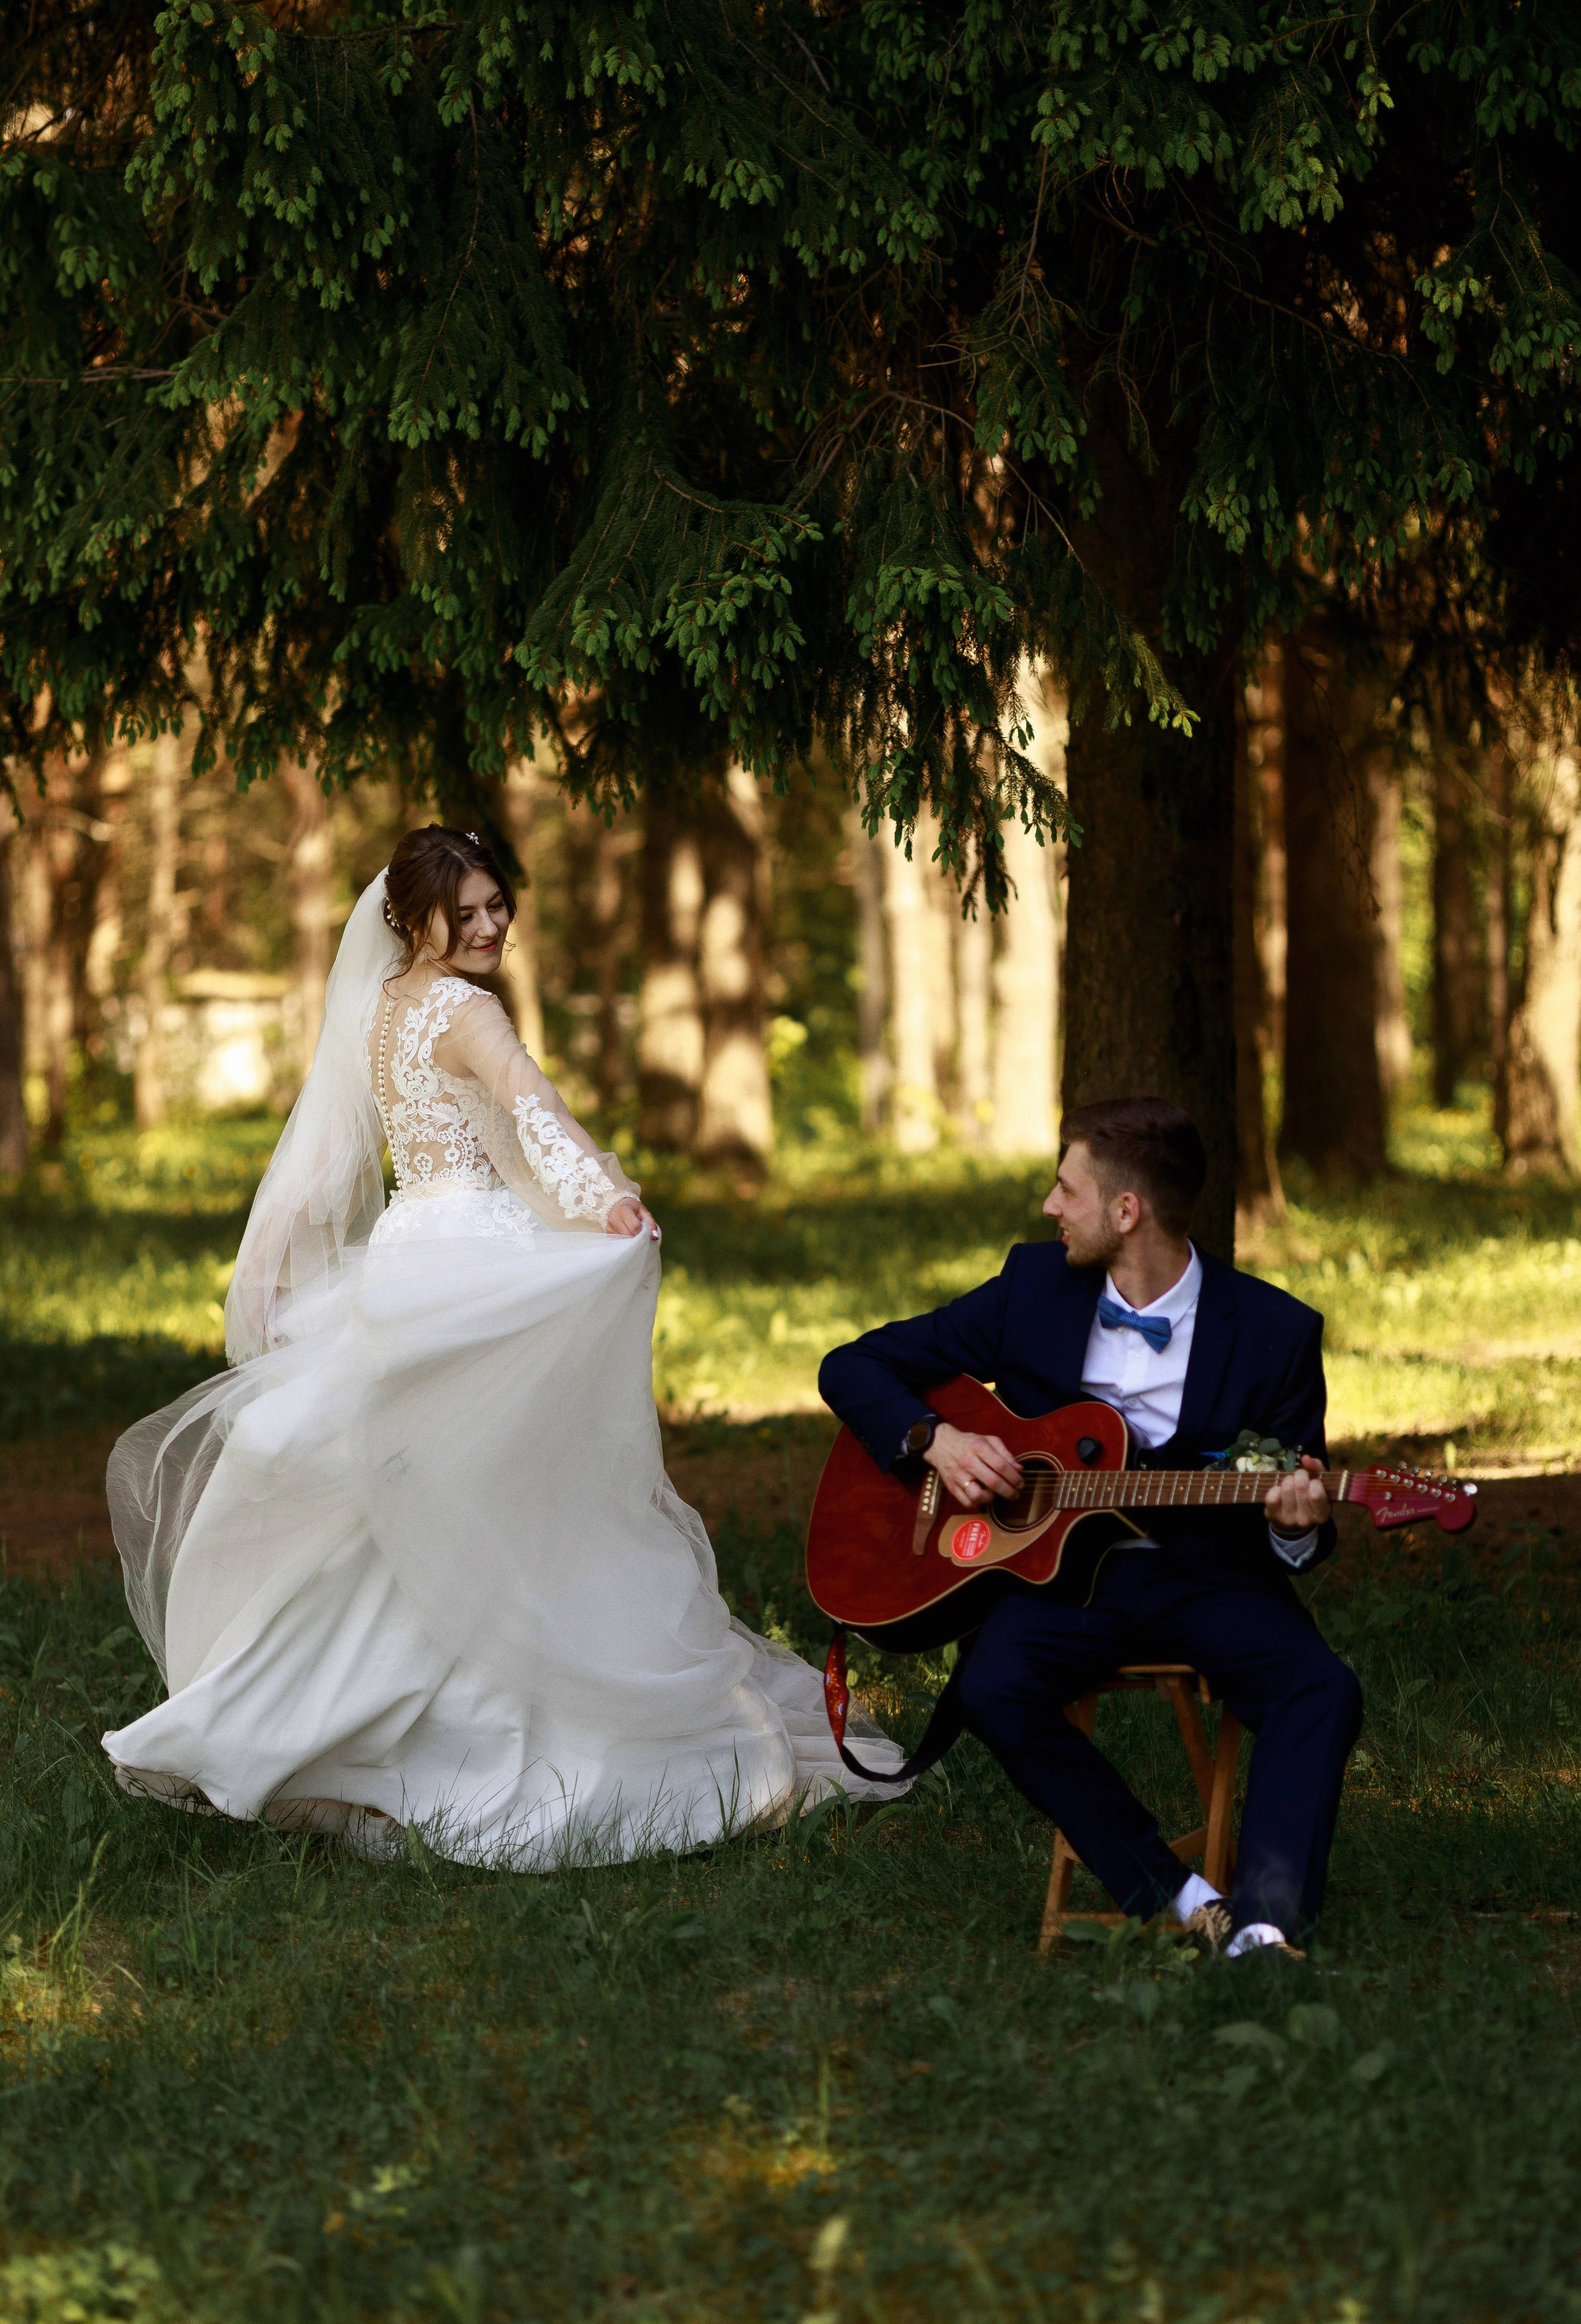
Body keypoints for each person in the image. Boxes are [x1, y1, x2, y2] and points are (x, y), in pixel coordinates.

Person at [104, 827, 905, 1864]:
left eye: (497, 907)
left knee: (416, 1489)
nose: (489, 928)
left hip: (405, 1260)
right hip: (467, 1259)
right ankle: (476, 1739)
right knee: (495, 1491)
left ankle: (336, 1736)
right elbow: (536, 1112)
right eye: (465, 912)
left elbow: (383, 1142)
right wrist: (608, 1200)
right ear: (411, 919)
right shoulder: (468, 1010)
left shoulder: (377, 1007)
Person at [818, 1096, 1362, 1958]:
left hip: (1206, 1575)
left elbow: (1300, 1510)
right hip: (1060, 1580)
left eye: (1065, 1188)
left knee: (1321, 1688)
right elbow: (854, 1365)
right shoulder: (1035, 1289)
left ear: (1126, 1210)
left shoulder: (1274, 1333)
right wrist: (938, 1441)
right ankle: (1177, 1895)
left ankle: (1264, 1924)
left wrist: (1297, 1525)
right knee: (994, 1688)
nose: (1049, 1206)